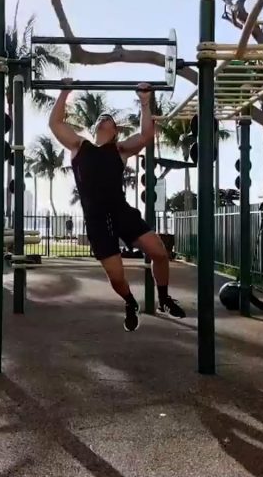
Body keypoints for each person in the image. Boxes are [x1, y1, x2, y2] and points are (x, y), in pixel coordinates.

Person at [49, 79, 186, 331]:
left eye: (109, 118)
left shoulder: (120, 150)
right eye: (101, 118)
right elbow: (55, 123)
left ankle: (164, 298)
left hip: (121, 212)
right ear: (95, 127)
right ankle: (130, 302)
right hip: (97, 220)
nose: (104, 118)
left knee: (159, 253)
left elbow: (146, 135)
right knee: (116, 276)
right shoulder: (79, 146)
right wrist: (64, 91)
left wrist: (145, 102)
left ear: (114, 131)